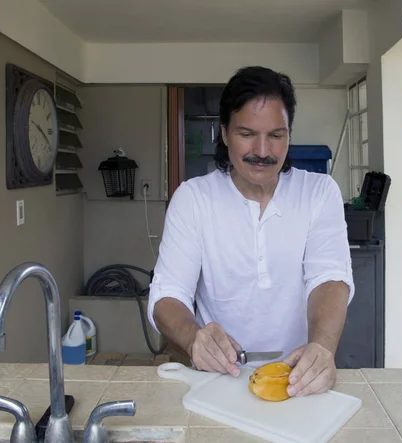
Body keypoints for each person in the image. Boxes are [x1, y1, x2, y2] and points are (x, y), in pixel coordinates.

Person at [147, 66, 354, 397]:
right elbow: (167, 294)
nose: (262, 151)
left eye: (275, 135)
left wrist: (323, 347)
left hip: (298, 379)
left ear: (289, 134)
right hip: (217, 379)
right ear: (225, 132)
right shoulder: (193, 199)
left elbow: (329, 278)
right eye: (247, 134)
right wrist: (192, 338)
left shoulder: (318, 192)